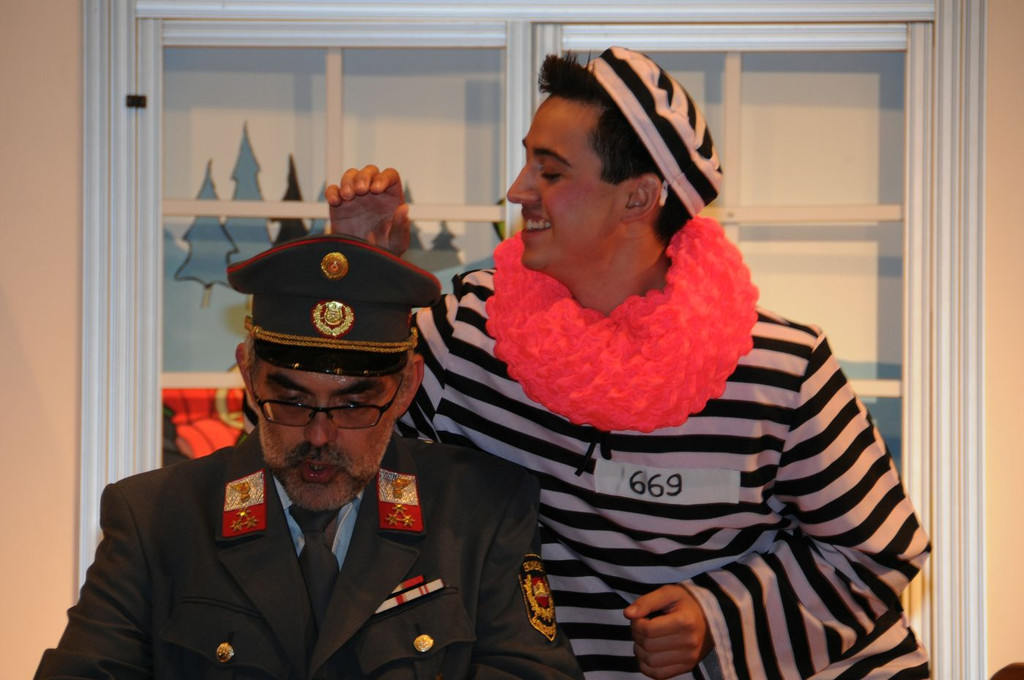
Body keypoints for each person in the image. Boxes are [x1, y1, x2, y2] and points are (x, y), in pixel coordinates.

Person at [325, 47, 931, 679]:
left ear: (638, 198)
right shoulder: (473, 334)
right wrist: (362, 276)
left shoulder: (778, 371)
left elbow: (879, 552)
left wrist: (716, 617)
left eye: (550, 172)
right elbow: (328, 436)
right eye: (527, 162)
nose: (518, 190)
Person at [35, 234, 583, 679]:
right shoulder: (154, 518)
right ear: (248, 375)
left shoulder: (480, 511)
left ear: (407, 386)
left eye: (353, 406)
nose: (320, 436)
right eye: (293, 402)